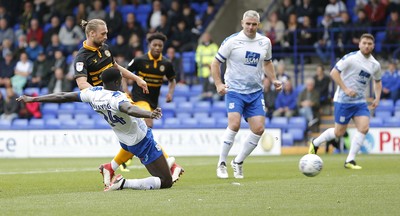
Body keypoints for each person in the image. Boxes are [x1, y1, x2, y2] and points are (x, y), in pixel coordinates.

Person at [17, 67, 173, 191]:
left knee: (155, 162)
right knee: (166, 181)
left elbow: (63, 96)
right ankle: (123, 183)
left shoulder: (93, 93)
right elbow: (130, 110)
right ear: (118, 81)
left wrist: (33, 99)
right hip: (141, 140)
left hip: (124, 140)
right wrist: (149, 113)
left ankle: (109, 168)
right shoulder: (118, 98)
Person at [74, 19, 182, 185]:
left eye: (107, 33)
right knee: (140, 131)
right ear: (91, 34)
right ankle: (170, 164)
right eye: (103, 34)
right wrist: (100, 97)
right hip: (107, 102)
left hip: (117, 96)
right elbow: (82, 84)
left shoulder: (105, 48)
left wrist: (137, 78)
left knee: (133, 135)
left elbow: (115, 67)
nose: (106, 36)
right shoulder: (82, 57)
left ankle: (110, 167)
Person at [211, 10, 282, 179]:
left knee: (258, 129)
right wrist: (219, 84)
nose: (250, 27)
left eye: (254, 24)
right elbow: (215, 63)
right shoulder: (232, 41)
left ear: (259, 25)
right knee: (234, 125)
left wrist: (274, 79)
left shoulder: (265, 42)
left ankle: (238, 162)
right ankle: (221, 163)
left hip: (255, 92)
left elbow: (268, 62)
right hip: (235, 90)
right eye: (248, 23)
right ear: (242, 23)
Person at [309, 33, 382, 170]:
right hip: (343, 100)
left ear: (373, 46)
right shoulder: (351, 58)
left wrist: (377, 97)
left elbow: (377, 82)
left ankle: (350, 160)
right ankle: (316, 142)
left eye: (369, 44)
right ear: (359, 44)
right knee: (339, 132)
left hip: (359, 101)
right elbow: (333, 73)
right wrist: (345, 89)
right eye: (364, 43)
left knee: (364, 128)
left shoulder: (375, 65)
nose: (366, 46)